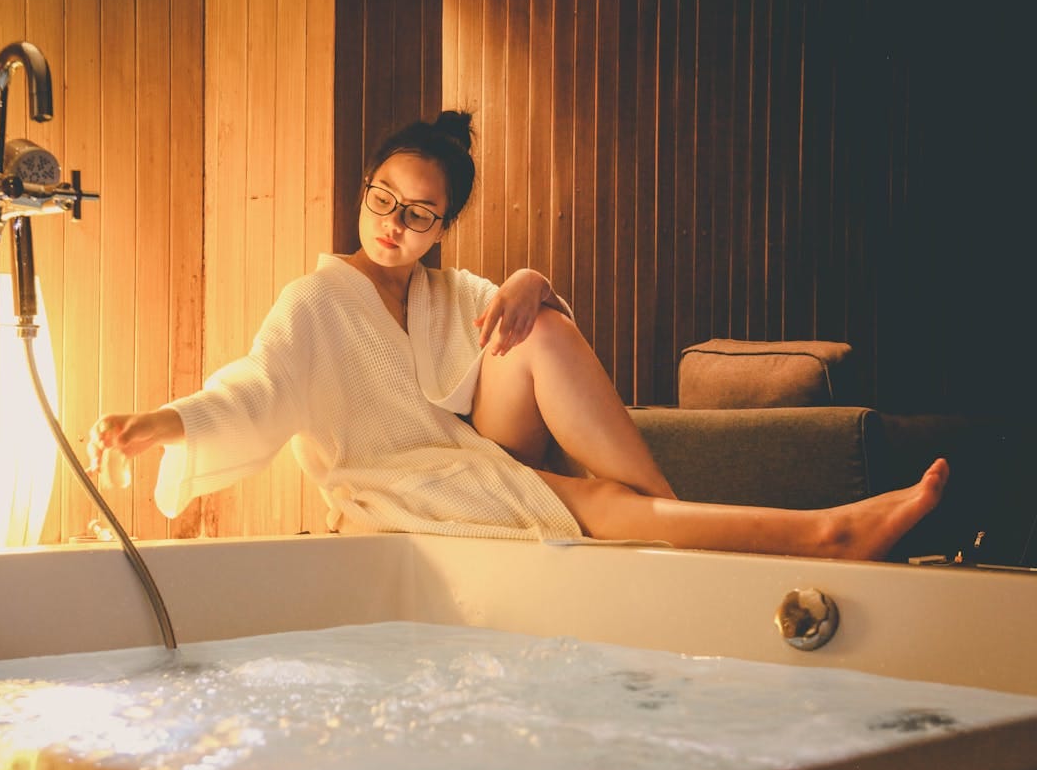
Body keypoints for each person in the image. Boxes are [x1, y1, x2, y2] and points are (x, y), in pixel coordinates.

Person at [88, 110, 948, 560]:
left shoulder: (443, 291)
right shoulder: (317, 298)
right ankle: (825, 532)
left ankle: (674, 520)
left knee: (537, 326)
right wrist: (164, 422)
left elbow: (523, 343)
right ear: (364, 191)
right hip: (401, 481)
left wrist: (533, 282)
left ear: (442, 224)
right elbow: (259, 385)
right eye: (383, 199)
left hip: (472, 449)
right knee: (604, 504)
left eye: (419, 213)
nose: (393, 223)